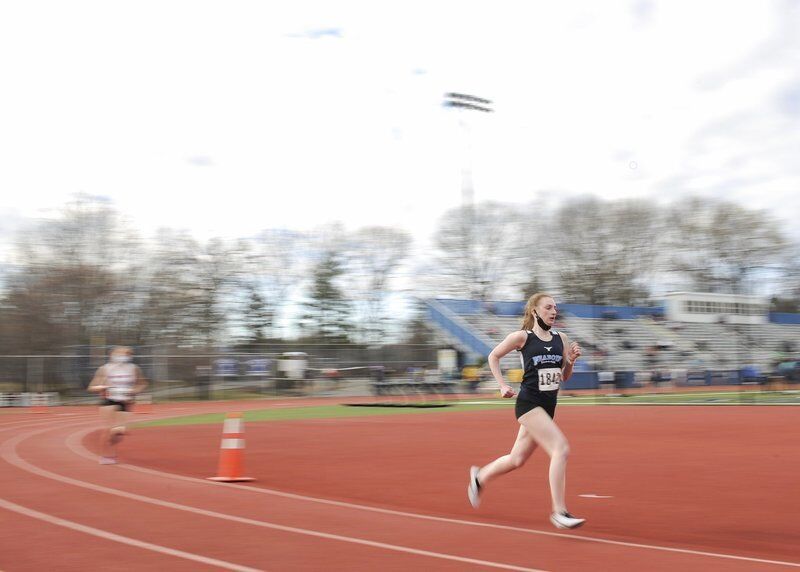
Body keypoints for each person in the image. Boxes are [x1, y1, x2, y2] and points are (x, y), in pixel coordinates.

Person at [467, 293, 586, 529]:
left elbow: (563, 377)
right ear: (534, 311)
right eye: (548, 307)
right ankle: (559, 511)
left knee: (517, 459)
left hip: (548, 407)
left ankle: (479, 477)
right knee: (560, 448)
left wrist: (570, 362)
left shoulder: (561, 338)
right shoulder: (522, 337)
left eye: (555, 308)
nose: (554, 312)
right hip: (528, 404)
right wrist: (501, 385)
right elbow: (493, 356)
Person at [87, 346, 148, 464]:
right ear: (112, 355)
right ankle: (106, 455)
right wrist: (102, 387)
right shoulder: (105, 369)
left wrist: (134, 391)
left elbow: (142, 384)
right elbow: (91, 387)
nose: (122, 356)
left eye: (126, 354)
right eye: (119, 354)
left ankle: (111, 444)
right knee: (108, 428)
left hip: (125, 400)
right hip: (108, 399)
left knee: (121, 430)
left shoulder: (133, 369)